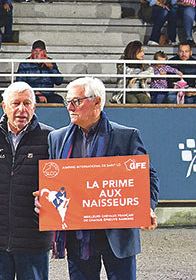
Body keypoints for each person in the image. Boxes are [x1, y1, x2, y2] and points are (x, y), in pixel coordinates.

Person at [36, 76, 159, 280]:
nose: (69, 107)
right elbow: (55, 183)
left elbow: (148, 176)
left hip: (118, 236)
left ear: (97, 102)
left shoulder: (126, 136)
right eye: (68, 102)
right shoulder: (56, 138)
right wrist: (43, 199)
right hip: (78, 237)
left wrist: (147, 207)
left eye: (76, 101)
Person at [0, 81, 53, 280]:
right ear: (4, 106)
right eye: (16, 103)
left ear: (34, 107)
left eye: (27, 103)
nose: (21, 109)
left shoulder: (50, 137)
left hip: (33, 237)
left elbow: (57, 188)